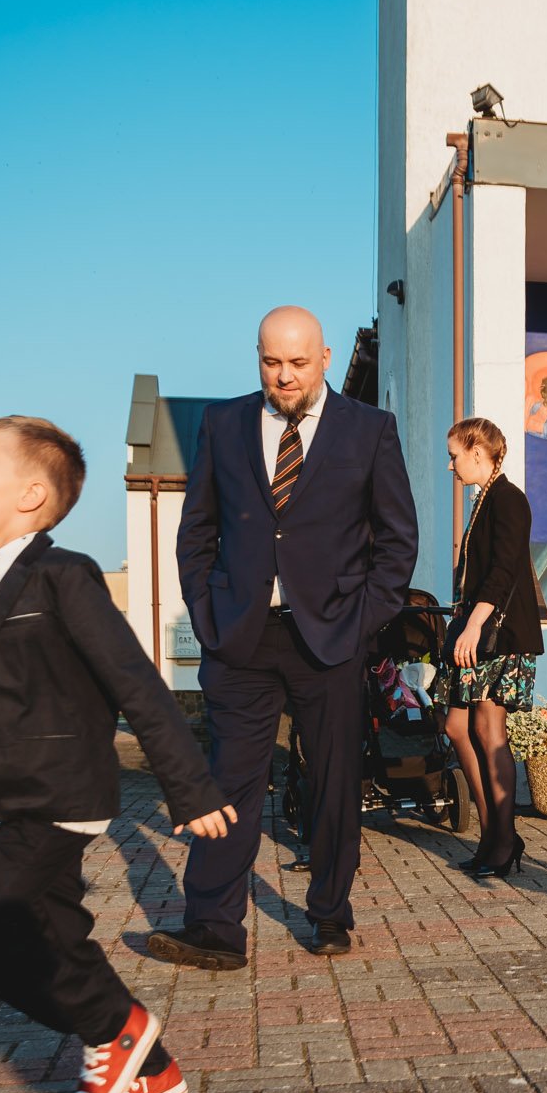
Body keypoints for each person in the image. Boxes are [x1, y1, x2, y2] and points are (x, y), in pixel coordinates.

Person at [0, 417, 236, 1093]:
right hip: (14, 799)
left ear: (31, 494)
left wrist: (191, 787)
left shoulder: (64, 576)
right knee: (55, 932)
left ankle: (115, 1025)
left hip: (57, 796)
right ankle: (146, 1067)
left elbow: (135, 681)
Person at [158, 306, 418, 968]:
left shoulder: (370, 430)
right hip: (241, 638)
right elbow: (197, 532)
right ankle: (214, 925)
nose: (284, 375)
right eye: (271, 361)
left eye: (298, 362)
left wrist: (359, 623)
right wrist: (208, 612)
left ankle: (330, 912)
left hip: (331, 638)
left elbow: (397, 543)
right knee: (229, 782)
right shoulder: (223, 423)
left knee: (333, 782)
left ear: (325, 357)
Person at [440, 418, 542, 878]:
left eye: (454, 455)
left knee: (486, 729)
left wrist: (473, 625)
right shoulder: (485, 500)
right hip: (476, 630)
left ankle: (502, 839)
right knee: (457, 726)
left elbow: (504, 570)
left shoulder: (509, 499)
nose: (451, 465)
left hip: (495, 632)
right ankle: (496, 833)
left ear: (478, 451)